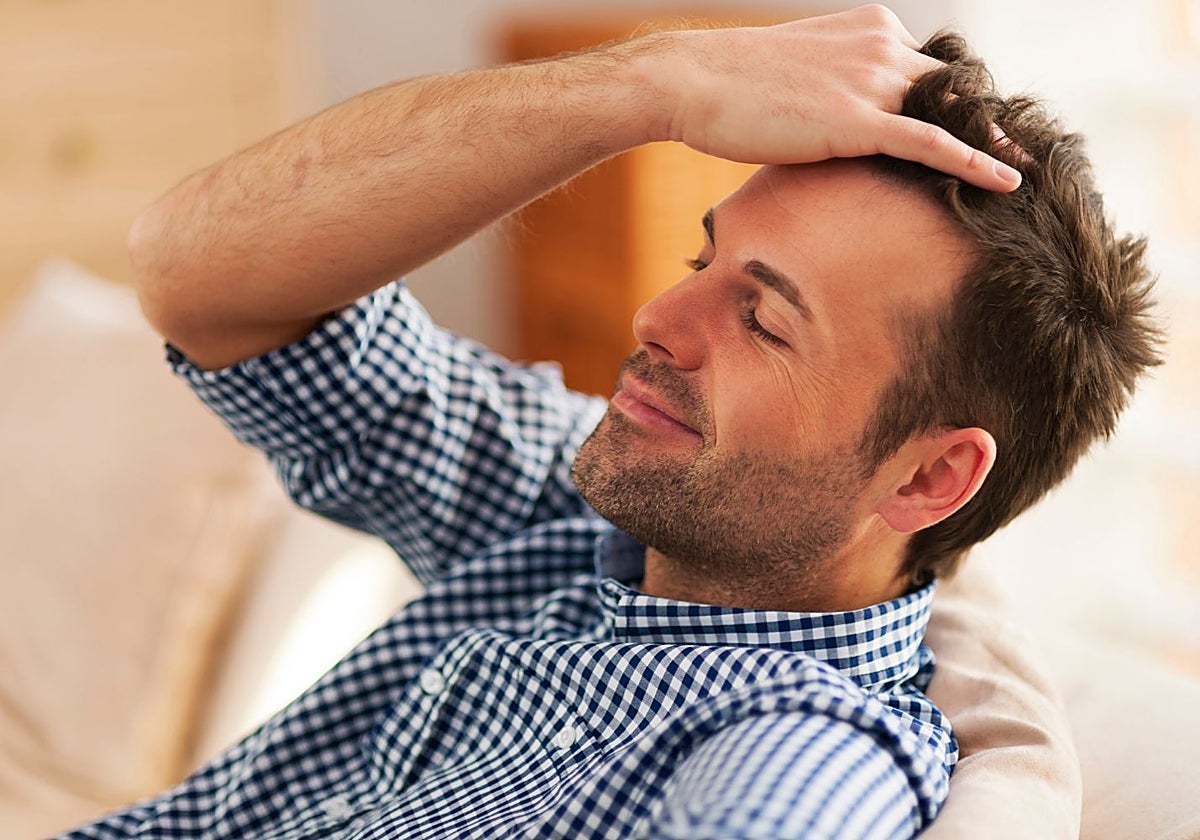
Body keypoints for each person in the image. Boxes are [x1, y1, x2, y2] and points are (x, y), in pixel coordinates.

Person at [65, 4, 1159, 838]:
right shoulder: (584, 507)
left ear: (926, 480)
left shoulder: (794, 756)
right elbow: (196, 276)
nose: (656, 317)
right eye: (702, 259)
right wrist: (657, 84)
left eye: (765, 320)